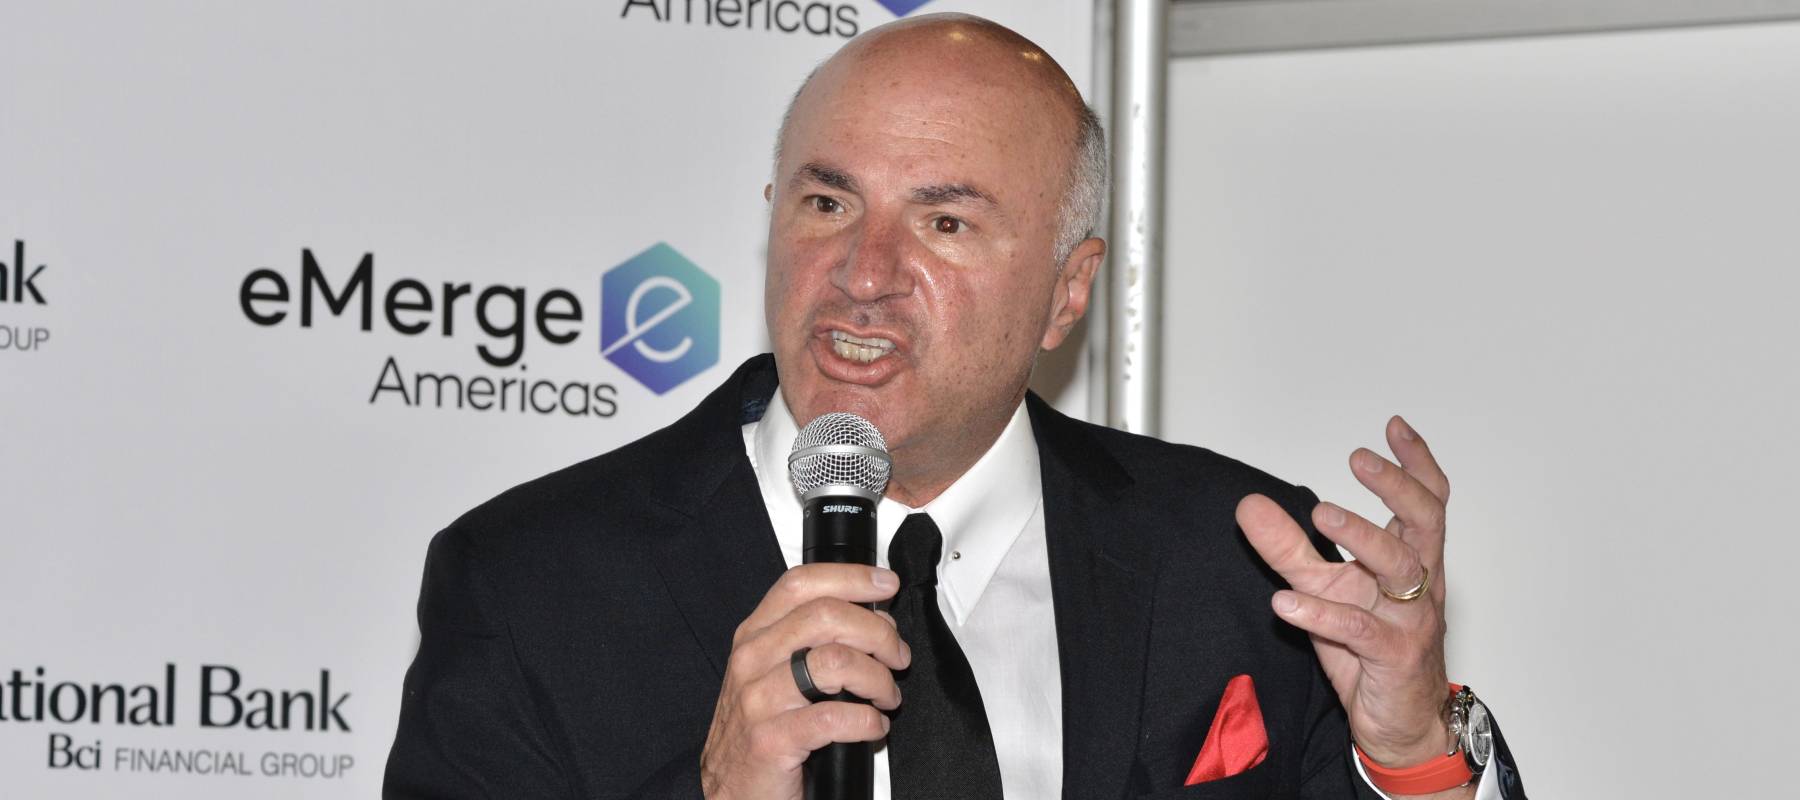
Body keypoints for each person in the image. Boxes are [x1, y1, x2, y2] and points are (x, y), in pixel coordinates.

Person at [384, 13, 1523, 800]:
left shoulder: (1241, 564)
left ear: (1067, 293)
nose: (863, 270)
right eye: (828, 200)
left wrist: (1412, 749)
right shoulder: (533, 582)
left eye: (944, 222)